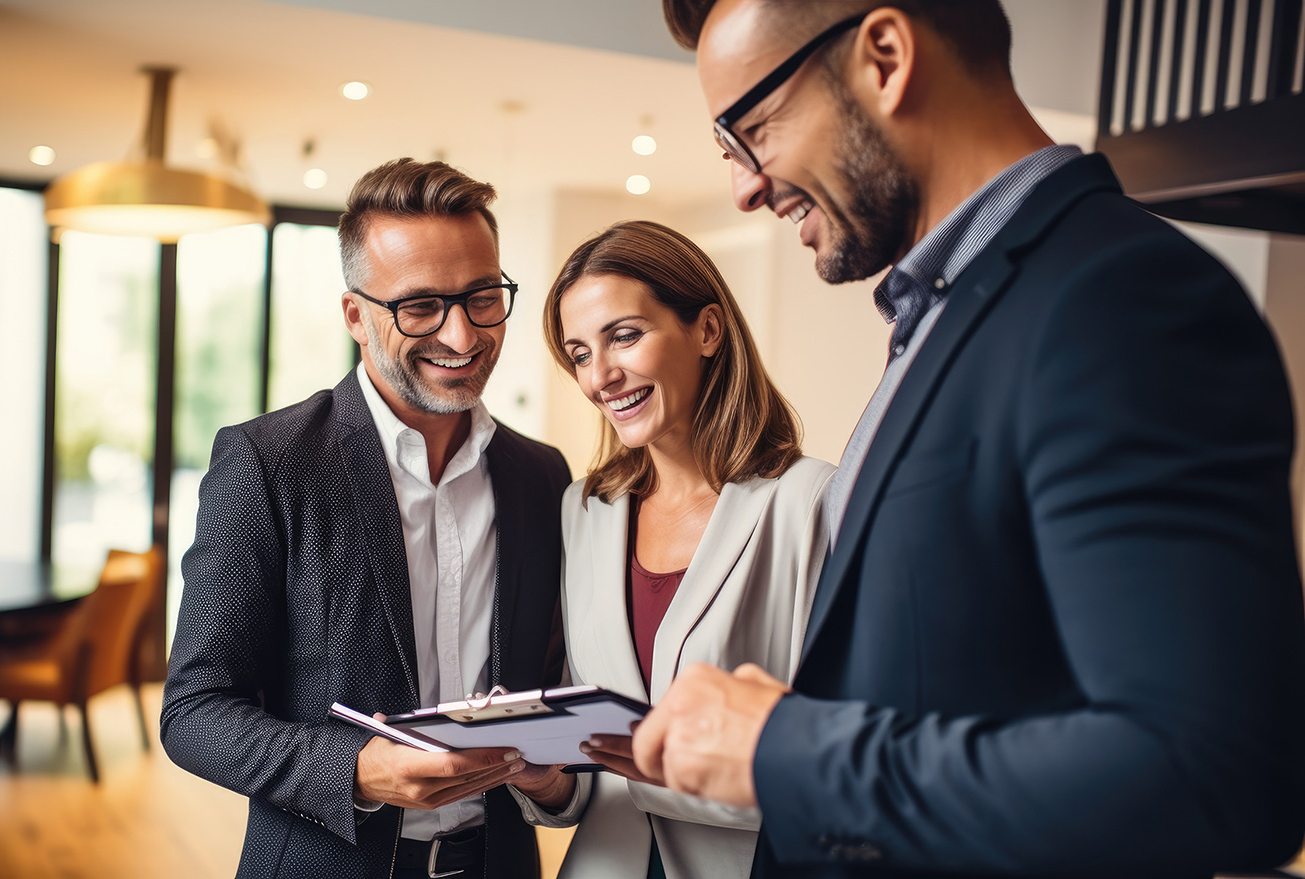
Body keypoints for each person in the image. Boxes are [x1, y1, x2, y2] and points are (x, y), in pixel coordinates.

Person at [631, 2, 1305, 877]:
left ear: (884, 57)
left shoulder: (1120, 298)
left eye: (752, 131)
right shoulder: (946, 311)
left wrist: (784, 745)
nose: (746, 188)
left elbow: (1211, 775)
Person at [161, 157, 575, 878]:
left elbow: (549, 685)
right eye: (420, 307)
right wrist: (357, 770)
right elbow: (193, 713)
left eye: (483, 297)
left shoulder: (542, 476)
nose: (462, 335)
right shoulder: (267, 461)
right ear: (356, 315)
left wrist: (555, 776)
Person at [523, 219, 835, 878]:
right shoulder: (585, 509)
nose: (600, 376)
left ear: (708, 330)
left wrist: (668, 769)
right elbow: (587, 758)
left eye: (624, 336)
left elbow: (836, 759)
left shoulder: (810, 502)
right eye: (579, 353)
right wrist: (547, 780)